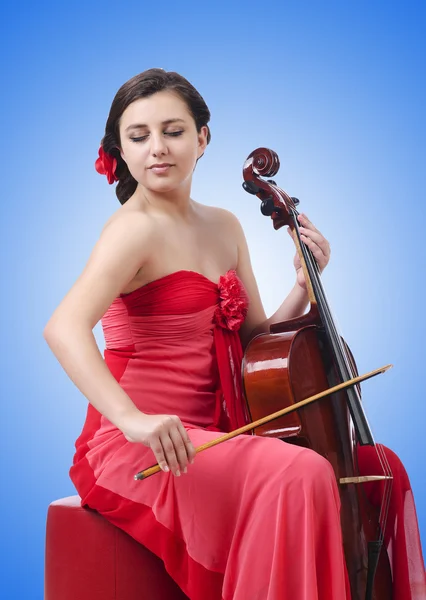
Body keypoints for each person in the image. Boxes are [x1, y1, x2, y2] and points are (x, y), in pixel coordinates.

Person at [43, 68, 425, 600]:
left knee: (380, 466)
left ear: (202, 139)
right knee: (298, 474)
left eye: (173, 131)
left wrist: (304, 285)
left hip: (223, 432)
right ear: (120, 152)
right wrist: (133, 420)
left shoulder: (225, 225)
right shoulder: (133, 229)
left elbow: (255, 342)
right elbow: (63, 327)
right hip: (146, 446)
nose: (158, 148)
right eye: (139, 136)